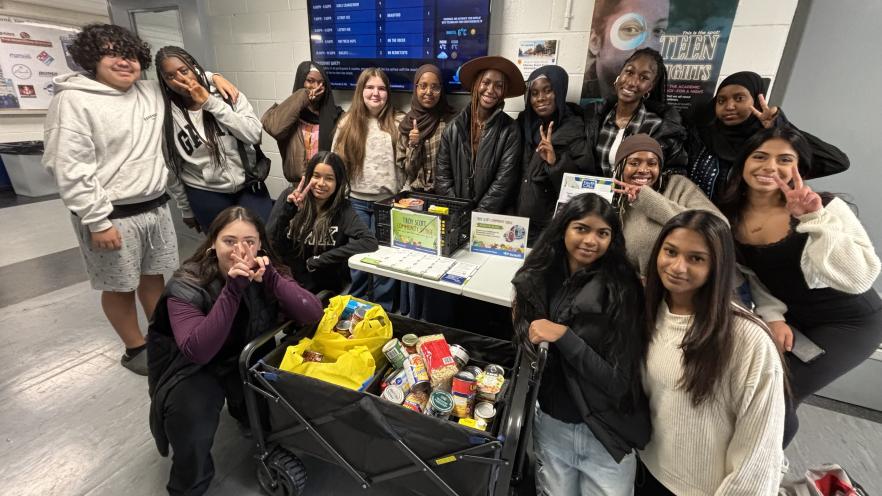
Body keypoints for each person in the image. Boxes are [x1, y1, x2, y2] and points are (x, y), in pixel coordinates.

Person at [42, 23, 238, 375]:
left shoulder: (148, 92)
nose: (124, 62)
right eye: (112, 53)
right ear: (92, 58)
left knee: (153, 276)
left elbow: (178, 76)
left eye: (130, 55)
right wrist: (97, 219)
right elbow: (68, 167)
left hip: (154, 205)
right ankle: (134, 347)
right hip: (111, 215)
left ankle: (159, 334)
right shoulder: (73, 101)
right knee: (118, 285)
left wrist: (213, 75)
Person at [718, 127, 882, 447]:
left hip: (850, 322)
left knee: (777, 396)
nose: (770, 166)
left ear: (800, 169)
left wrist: (815, 220)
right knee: (748, 385)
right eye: (760, 156)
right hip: (793, 317)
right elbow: (749, 276)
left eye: (784, 159)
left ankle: (765, 471)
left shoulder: (825, 207)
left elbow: (859, 277)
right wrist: (774, 317)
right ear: (743, 163)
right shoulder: (729, 214)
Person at [147, 206, 323, 496]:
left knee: (274, 414)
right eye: (229, 241)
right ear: (212, 243)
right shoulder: (187, 283)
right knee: (192, 420)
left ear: (260, 245)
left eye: (250, 242)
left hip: (243, 360)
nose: (240, 251)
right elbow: (198, 351)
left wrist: (272, 281)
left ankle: (249, 418)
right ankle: (189, 485)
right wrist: (232, 289)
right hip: (192, 370)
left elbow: (312, 313)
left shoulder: (267, 271)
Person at [636, 210, 785, 495]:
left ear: (717, 266)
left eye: (696, 258)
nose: (677, 267)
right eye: (670, 251)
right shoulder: (651, 313)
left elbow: (759, 452)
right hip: (647, 472)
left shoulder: (747, 339)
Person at [513, 193, 650, 496]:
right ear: (563, 228)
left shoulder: (621, 290)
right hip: (551, 424)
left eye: (603, 233)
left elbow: (618, 383)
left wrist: (564, 337)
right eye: (582, 229)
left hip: (604, 435)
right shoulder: (539, 276)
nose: (591, 240)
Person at [156, 46, 272, 231]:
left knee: (263, 241)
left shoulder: (227, 94)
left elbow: (253, 134)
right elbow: (171, 165)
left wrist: (209, 101)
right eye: (170, 76)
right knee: (221, 252)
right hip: (205, 193)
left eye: (184, 71)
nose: (180, 79)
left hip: (248, 186)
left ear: (194, 67)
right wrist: (186, 209)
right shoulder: (166, 113)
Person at [685, 71, 849, 203]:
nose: (729, 106)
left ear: (757, 100)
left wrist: (780, 126)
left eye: (739, 98)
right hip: (702, 230)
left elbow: (837, 161)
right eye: (721, 100)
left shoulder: (771, 144)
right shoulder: (701, 137)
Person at [332, 68, 404, 310]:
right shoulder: (347, 123)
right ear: (361, 91)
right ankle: (357, 310)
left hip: (388, 204)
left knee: (385, 263)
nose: (376, 93)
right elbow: (335, 164)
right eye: (370, 87)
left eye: (381, 88)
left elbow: (407, 165)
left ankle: (384, 312)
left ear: (388, 93)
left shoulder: (398, 122)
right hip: (356, 203)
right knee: (359, 261)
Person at [610, 133, 723, 277]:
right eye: (634, 163)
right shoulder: (614, 199)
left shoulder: (678, 186)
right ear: (620, 166)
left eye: (652, 163)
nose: (644, 170)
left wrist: (647, 198)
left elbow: (720, 226)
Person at [267, 151, 378, 294]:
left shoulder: (343, 208)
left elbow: (369, 242)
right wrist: (289, 209)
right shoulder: (290, 198)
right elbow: (271, 241)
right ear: (308, 177)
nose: (321, 183)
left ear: (338, 182)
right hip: (287, 282)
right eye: (316, 176)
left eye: (329, 178)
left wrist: (319, 260)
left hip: (324, 287)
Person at [435, 55, 525, 213]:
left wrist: (477, 215)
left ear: (504, 91)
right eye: (486, 82)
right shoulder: (453, 127)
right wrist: (459, 210)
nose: (490, 90)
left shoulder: (510, 130)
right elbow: (442, 176)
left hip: (489, 221)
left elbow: (503, 182)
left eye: (499, 85)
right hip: (456, 214)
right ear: (476, 84)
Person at [515, 65, 593, 244]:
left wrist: (555, 163)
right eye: (534, 93)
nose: (540, 98)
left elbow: (583, 186)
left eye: (548, 91)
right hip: (518, 224)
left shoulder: (573, 129)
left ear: (559, 91)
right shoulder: (522, 125)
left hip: (549, 228)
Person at [584, 47, 686, 176]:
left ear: (650, 86)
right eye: (629, 72)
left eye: (644, 78)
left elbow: (671, 174)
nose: (632, 82)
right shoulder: (596, 117)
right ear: (620, 74)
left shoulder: (657, 128)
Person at [262, 61, 342, 184]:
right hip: (298, 184)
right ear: (301, 81)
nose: (316, 86)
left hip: (325, 183)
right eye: (310, 81)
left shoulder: (335, 116)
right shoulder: (287, 114)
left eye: (321, 82)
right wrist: (304, 96)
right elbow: (275, 128)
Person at [580, 0, 670, 102]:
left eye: (658, 31)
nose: (646, 45)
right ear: (595, 41)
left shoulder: (660, 116)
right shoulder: (582, 109)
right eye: (630, 29)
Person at [398, 64, 457, 192]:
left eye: (435, 87)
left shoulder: (451, 122)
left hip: (445, 194)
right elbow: (408, 171)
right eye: (423, 86)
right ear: (416, 88)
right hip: (416, 195)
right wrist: (414, 145)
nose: (429, 92)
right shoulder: (407, 124)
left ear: (441, 90)